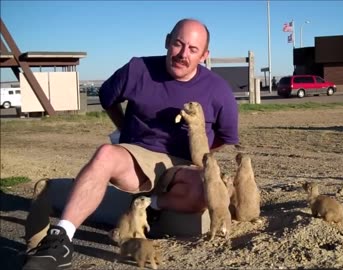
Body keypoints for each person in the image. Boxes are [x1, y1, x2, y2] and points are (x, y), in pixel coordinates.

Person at [22, 18, 239, 270]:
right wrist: (124, 128)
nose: (182, 54)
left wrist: (199, 156)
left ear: (204, 54)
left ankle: (149, 206)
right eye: (178, 44)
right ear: (167, 41)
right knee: (105, 153)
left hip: (184, 165)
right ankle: (61, 239)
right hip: (138, 156)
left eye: (192, 49)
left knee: (207, 188)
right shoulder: (139, 69)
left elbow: (226, 137)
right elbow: (107, 97)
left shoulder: (219, 90)